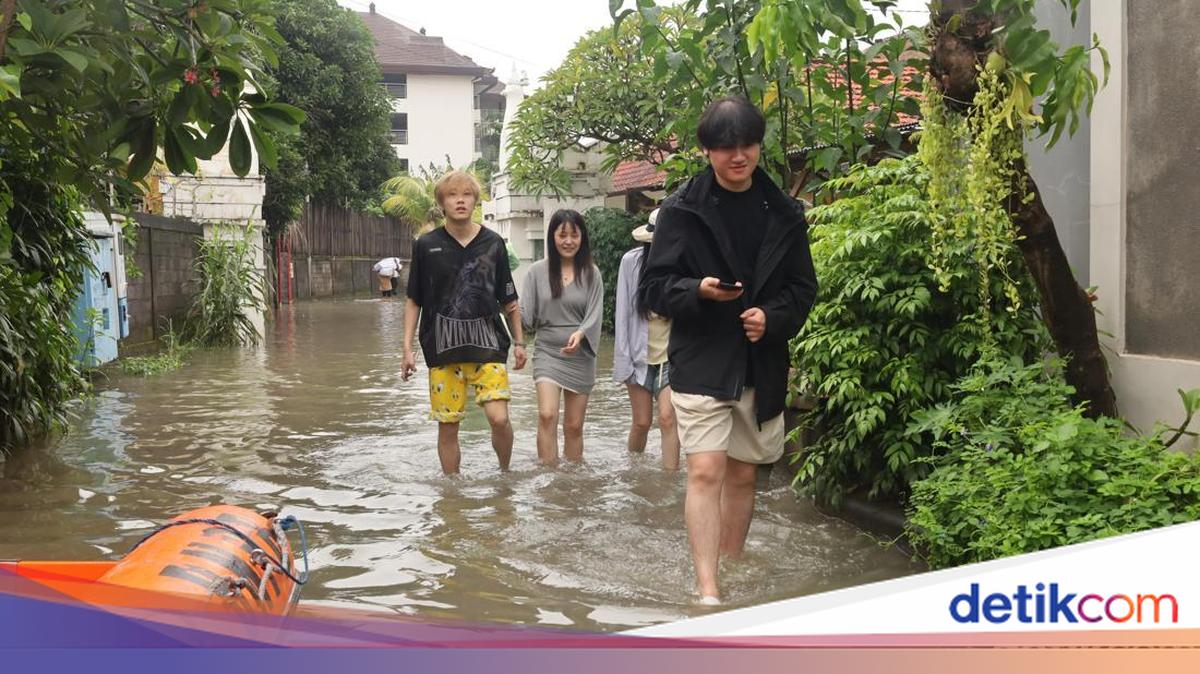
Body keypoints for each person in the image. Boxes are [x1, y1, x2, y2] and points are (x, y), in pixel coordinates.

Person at [639, 96, 818, 604]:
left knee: (743, 474)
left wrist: (773, 317)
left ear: (759, 146)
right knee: (705, 469)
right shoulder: (679, 211)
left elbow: (803, 289)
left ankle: (731, 565)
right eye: (726, 147)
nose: (738, 156)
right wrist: (697, 290)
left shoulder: (785, 212)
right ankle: (708, 588)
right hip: (701, 357)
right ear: (707, 150)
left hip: (761, 361)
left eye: (747, 145)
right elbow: (653, 288)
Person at [402, 170, 527, 474]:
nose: (460, 200)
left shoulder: (494, 243)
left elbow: (509, 300)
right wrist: (406, 348)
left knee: (499, 418)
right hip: (442, 350)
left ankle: (505, 472)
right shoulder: (426, 246)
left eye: (467, 194)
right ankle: (452, 495)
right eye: (452, 195)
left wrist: (520, 342)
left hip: (490, 347)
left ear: (476, 200)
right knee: (448, 427)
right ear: (441, 203)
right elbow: (414, 299)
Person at [520, 209, 603, 465]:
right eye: (562, 235)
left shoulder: (592, 273)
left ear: (582, 238)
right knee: (547, 415)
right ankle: (548, 476)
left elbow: (595, 312)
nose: (568, 241)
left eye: (574, 235)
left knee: (574, 425)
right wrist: (508, 311)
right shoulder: (536, 272)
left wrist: (581, 333)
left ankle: (571, 483)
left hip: (581, 355)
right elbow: (527, 318)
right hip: (547, 352)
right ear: (552, 237)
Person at [613, 209, 679, 470]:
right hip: (638, 355)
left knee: (667, 418)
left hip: (672, 356)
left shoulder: (682, 264)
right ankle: (635, 473)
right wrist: (623, 362)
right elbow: (623, 313)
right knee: (641, 422)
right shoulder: (631, 262)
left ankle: (670, 480)